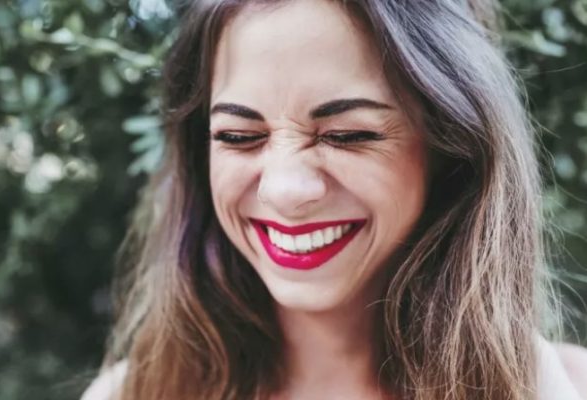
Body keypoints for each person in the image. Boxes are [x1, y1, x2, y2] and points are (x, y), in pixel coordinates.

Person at [83, 0, 587, 399]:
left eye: (347, 135)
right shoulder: (133, 392)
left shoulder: (561, 386)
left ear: (451, 148)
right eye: (239, 137)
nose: (284, 191)